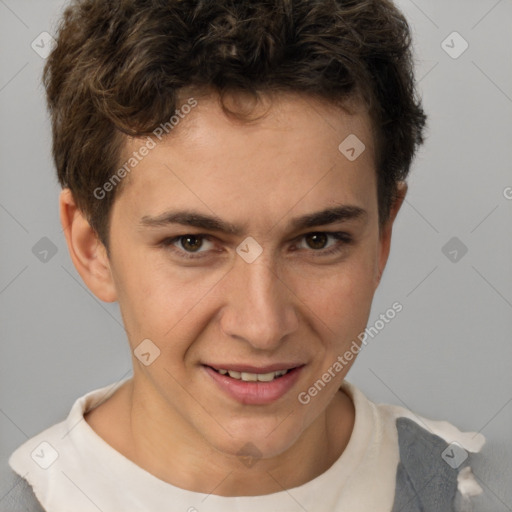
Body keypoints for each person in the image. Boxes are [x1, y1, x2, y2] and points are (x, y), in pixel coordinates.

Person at [3, 0, 488, 510]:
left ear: (382, 238)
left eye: (319, 240)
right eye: (192, 243)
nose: (262, 327)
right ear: (92, 248)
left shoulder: (472, 489)